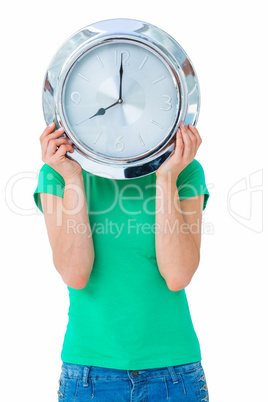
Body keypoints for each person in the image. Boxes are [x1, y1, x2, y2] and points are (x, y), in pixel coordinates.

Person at [33, 120, 210, 401]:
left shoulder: (183, 170)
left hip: (173, 373)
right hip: (89, 374)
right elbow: (76, 274)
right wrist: (73, 178)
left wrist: (166, 178)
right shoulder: (56, 173)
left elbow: (178, 276)